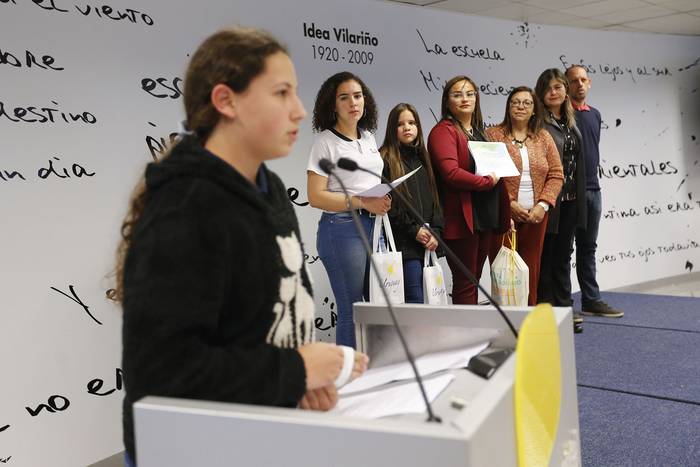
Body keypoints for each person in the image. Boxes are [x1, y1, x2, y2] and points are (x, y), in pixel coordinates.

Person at [114, 29, 368, 467]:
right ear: (226, 101)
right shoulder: (185, 207)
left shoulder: (268, 189)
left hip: (257, 433)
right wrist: (297, 371)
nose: (300, 110)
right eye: (281, 93)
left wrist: (296, 384)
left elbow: (265, 323)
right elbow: (166, 374)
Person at [307, 71, 391, 349]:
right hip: (342, 229)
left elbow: (368, 183)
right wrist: (363, 202)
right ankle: (348, 381)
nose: (353, 102)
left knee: (377, 306)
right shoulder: (325, 143)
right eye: (344, 97)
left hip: (375, 227)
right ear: (333, 105)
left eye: (357, 96)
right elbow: (316, 196)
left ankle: (370, 372)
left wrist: (380, 199)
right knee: (352, 310)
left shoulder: (368, 137)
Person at [427, 76, 510, 305]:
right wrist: (485, 182)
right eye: (457, 94)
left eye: (470, 93)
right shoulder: (443, 131)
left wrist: (505, 212)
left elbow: (496, 172)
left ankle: (472, 334)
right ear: (447, 101)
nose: (465, 99)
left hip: (484, 217)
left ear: (477, 98)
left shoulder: (478, 131)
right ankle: (465, 338)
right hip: (462, 219)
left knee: (474, 279)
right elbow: (451, 173)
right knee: (465, 282)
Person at [486, 86, 564, 306]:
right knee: (504, 275)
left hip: (536, 217)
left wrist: (543, 204)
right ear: (508, 107)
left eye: (526, 103)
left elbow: (557, 174)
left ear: (534, 109)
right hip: (503, 217)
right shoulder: (493, 135)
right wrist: (508, 204)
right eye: (515, 102)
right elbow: (490, 175)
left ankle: (528, 326)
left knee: (530, 274)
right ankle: (505, 326)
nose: (520, 106)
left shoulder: (543, 137)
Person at [566, 65, 624, 318]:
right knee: (563, 250)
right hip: (568, 193)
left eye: (583, 80)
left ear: (589, 83)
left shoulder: (595, 114)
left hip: (593, 190)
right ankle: (563, 302)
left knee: (588, 248)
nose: (579, 84)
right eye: (574, 80)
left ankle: (591, 299)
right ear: (566, 85)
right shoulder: (560, 116)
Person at [535, 68, 587, 329]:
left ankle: (565, 307)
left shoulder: (570, 121)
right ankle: (547, 310)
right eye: (548, 88)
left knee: (564, 256)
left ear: (565, 91)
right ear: (541, 94)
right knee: (546, 256)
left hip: (570, 200)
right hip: (548, 201)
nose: (554, 92)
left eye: (558, 87)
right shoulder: (537, 124)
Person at [379, 103, 444, 303]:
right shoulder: (385, 159)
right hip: (404, 245)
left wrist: (436, 231)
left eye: (412, 122)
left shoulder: (424, 158)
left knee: (430, 302)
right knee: (413, 300)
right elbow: (388, 206)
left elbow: (436, 200)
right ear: (392, 129)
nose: (407, 127)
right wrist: (414, 230)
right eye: (400, 124)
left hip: (428, 243)